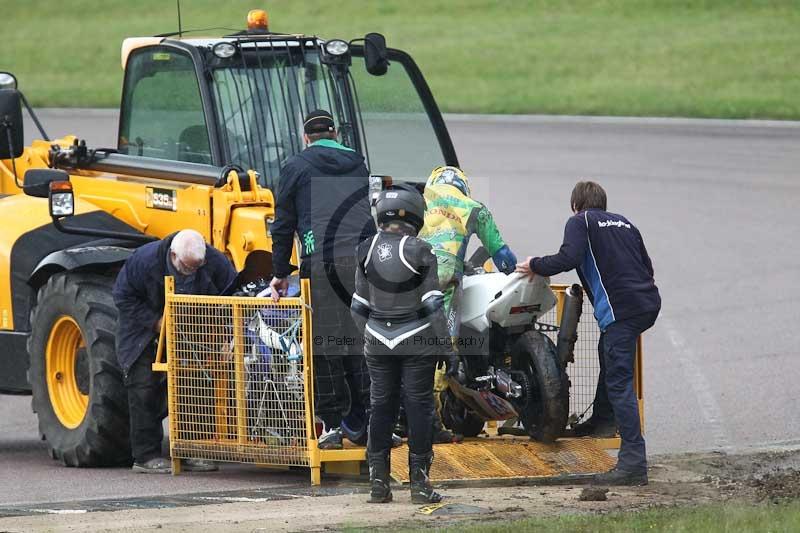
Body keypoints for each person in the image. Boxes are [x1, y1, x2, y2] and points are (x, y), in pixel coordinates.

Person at [516, 181, 660, 486]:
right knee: (607, 352)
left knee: (620, 382)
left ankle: (633, 463)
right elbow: (647, 267)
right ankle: (602, 422)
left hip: (621, 311)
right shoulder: (626, 224)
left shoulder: (579, 221)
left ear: (575, 204)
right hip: (646, 303)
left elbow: (568, 257)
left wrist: (534, 265)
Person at [268, 109, 376, 449]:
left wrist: (279, 272)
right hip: (359, 264)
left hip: (320, 265)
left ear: (305, 138)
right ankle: (372, 423)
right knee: (361, 344)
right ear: (336, 135)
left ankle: (330, 426)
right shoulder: (358, 164)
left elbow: (283, 225)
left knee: (325, 346)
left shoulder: (296, 167)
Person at [351, 183, 454, 504]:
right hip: (416, 343)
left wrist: (370, 336)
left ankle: (378, 484)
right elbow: (434, 307)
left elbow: (358, 307)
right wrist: (447, 349)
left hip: (377, 343)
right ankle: (420, 486)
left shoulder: (365, 249)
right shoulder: (421, 250)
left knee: (381, 407)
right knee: (418, 406)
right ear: (416, 215)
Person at [113, 229, 237, 473]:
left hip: (195, 329)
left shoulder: (215, 263)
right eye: (187, 267)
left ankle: (194, 449)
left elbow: (233, 297)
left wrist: (229, 337)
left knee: (198, 384)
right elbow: (122, 296)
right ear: (173, 255)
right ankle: (146, 456)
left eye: (196, 267)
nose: (192, 272)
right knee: (143, 386)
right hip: (144, 330)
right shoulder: (144, 260)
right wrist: (156, 322)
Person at [418, 165, 516, 441]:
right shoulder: (474, 208)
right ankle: (434, 423)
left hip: (408, 277)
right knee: (442, 347)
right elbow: (503, 256)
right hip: (445, 280)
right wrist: (515, 274)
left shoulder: (418, 201)